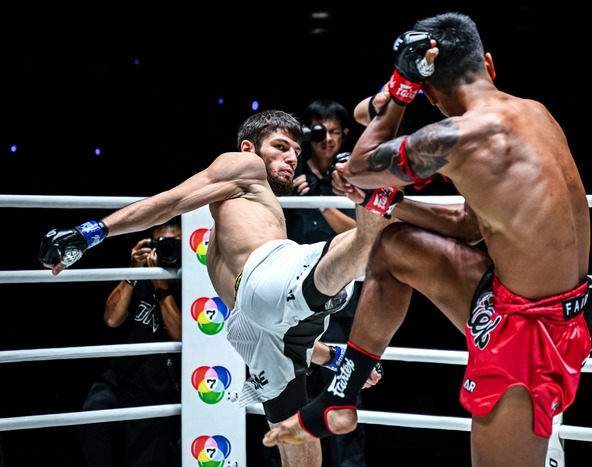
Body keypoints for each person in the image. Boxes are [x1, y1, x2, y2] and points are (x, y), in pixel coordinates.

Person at [262, 13, 592, 467]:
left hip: (528, 335)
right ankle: (341, 395)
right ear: (489, 65)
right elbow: (469, 225)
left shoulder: (458, 135)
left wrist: (402, 86)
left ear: (431, 94)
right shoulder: (535, 112)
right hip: (550, 306)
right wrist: (386, 201)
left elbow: (359, 165)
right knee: (393, 247)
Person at [38, 110, 386, 467]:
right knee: (372, 244)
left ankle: (349, 355)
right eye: (281, 147)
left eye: (296, 151)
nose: (292, 158)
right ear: (249, 148)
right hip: (262, 288)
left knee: (294, 431)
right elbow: (169, 202)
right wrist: (90, 232)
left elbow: (273, 314)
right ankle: (375, 179)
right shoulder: (245, 165)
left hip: (253, 322)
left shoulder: (245, 210)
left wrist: (332, 356)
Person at [284, 99, 369, 467]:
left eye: (335, 131)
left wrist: (319, 201)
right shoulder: (288, 175)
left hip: (345, 305)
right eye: (320, 131)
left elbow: (364, 235)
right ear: (307, 134)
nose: (327, 139)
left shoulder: (352, 178)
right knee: (296, 395)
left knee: (345, 395)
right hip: (297, 303)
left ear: (345, 133)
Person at [78, 218, 182, 466]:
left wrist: (162, 289)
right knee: (91, 419)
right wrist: (134, 271)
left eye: (175, 243)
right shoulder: (141, 274)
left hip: (159, 393)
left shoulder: (195, 283)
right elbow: (111, 319)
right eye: (161, 244)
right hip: (120, 381)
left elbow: (182, 337)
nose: (167, 249)